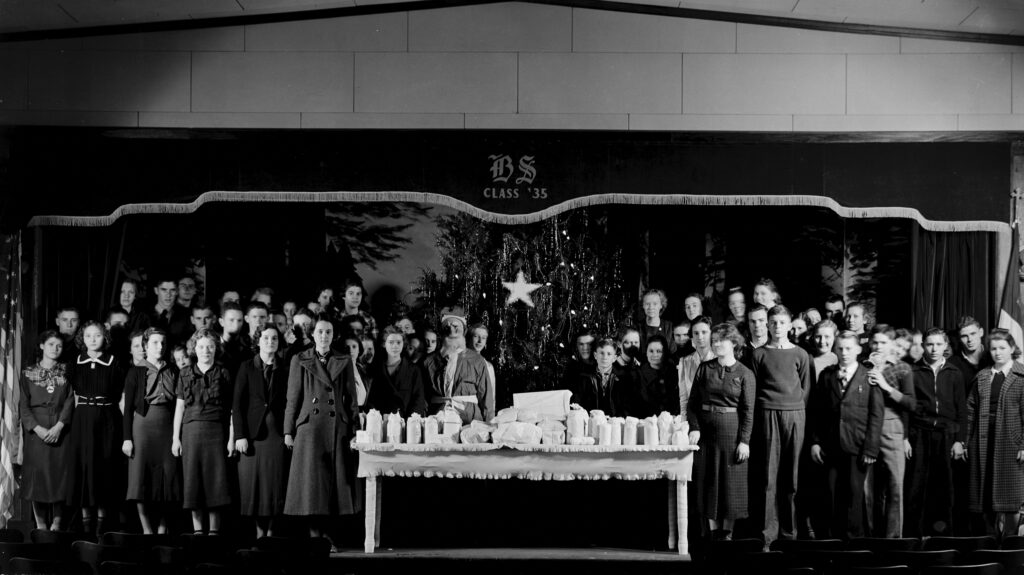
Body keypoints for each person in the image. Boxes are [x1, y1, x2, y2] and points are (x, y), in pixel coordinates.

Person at [283, 316, 360, 545]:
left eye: (328, 332)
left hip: (337, 428)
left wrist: (355, 428)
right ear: (312, 334)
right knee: (312, 485)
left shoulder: (343, 360)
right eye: (320, 332)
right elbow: (292, 398)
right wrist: (289, 430)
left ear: (333, 334)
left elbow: (351, 400)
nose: (324, 336)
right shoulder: (300, 359)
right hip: (310, 430)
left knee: (334, 485)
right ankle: (314, 538)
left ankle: (328, 538)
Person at [809, 330, 883, 539]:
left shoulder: (868, 376)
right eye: (840, 348)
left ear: (859, 349)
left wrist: (870, 447)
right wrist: (815, 442)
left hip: (857, 446)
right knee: (830, 494)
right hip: (830, 446)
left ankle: (854, 542)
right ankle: (831, 541)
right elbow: (817, 411)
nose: (844, 352)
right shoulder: (827, 375)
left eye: (849, 348)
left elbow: (876, 415)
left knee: (853, 496)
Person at [750, 305, 813, 547]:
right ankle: (768, 536)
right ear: (768, 325)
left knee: (792, 477)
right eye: (773, 322)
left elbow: (806, 389)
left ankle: (790, 535)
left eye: (782, 322)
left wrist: (793, 409)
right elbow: (754, 390)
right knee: (768, 477)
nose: (777, 327)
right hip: (767, 415)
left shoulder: (801, 354)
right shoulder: (759, 354)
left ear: (789, 325)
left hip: (795, 416)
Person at [686, 323, 755, 541]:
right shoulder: (705, 369)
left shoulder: (745, 373)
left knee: (731, 484)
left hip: (732, 434)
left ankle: (728, 535)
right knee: (708, 481)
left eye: (720, 340)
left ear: (733, 343)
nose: (715, 344)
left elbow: (748, 411)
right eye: (714, 340)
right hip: (706, 434)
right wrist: (695, 428)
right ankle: (712, 533)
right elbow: (692, 404)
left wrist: (744, 441)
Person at [905, 328, 967, 537]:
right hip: (920, 434)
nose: (934, 349)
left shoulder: (954, 373)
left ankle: (944, 537)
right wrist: (905, 438)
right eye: (930, 344)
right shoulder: (912, 372)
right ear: (922, 345)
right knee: (917, 486)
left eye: (939, 344)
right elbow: (906, 409)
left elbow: (961, 410)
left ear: (946, 346)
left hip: (947, 435)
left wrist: (960, 441)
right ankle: (916, 535)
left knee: (945, 488)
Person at [172, 329, 234, 536]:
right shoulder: (184, 373)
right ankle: (198, 533)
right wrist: (175, 438)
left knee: (216, 481)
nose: (205, 350)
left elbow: (232, 409)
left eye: (210, 346)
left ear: (216, 348)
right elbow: (179, 407)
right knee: (193, 481)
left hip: (216, 432)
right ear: (194, 349)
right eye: (201, 346)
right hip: (190, 433)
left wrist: (232, 438)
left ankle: (214, 533)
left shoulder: (224, 373)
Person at [67, 321, 126, 537]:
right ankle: (85, 524)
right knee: (84, 467)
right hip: (83, 419)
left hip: (107, 418)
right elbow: (72, 395)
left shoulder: (114, 362)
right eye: (88, 335)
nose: (93, 339)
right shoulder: (75, 363)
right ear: (83, 338)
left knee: (104, 466)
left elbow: (120, 395)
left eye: (98, 335)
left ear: (105, 338)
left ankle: (102, 523)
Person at [233, 325, 291, 539]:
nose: (270, 341)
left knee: (275, 486)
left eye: (274, 338)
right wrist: (240, 435)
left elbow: (289, 402)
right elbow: (237, 405)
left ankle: (272, 534)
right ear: (258, 341)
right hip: (253, 437)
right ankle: (259, 534)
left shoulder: (285, 368)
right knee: (254, 487)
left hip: (276, 436)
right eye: (265, 338)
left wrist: (288, 431)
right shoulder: (246, 367)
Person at [122, 327, 181, 534]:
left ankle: (163, 528)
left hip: (167, 424)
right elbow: (128, 408)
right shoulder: (136, 371)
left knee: (168, 477)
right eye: (155, 343)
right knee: (140, 477)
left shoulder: (173, 370)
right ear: (146, 346)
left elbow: (179, 404)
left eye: (163, 343)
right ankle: (147, 530)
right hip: (143, 425)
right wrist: (127, 439)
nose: (160, 347)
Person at [966, 329, 1024, 539]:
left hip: (1010, 444)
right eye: (993, 349)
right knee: (984, 495)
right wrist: (966, 442)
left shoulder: (1021, 376)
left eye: (1002, 348)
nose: (998, 353)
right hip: (982, 442)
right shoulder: (982, 376)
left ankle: (1009, 544)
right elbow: (970, 411)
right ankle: (988, 544)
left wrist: (1023, 445)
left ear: (1012, 349)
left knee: (1010, 497)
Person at [864, 324, 916, 538]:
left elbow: (911, 404)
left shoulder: (903, 368)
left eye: (883, 343)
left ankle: (893, 538)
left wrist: (886, 386)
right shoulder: (860, 366)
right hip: (865, 426)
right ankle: (868, 537)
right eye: (874, 342)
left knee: (895, 487)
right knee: (867, 488)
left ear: (892, 344)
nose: (878, 346)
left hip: (892, 425)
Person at [19, 330, 74, 531]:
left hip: (60, 427)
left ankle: (57, 523)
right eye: (51, 344)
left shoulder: (68, 372)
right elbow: (23, 405)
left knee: (60, 475)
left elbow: (70, 401)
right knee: (37, 477)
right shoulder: (27, 373)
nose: (55, 349)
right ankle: (41, 525)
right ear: (42, 346)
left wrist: (60, 425)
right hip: (36, 431)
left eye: (59, 345)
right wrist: (37, 428)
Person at [423, 308, 492, 423]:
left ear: (463, 332)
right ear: (442, 332)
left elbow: (486, 398)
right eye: (447, 327)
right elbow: (423, 398)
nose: (451, 330)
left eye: (456, 327)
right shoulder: (429, 361)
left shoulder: (477, 360)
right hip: (436, 420)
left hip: (469, 420)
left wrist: (489, 426)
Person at [368, 326, 427, 417]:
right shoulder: (376, 369)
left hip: (406, 423)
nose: (395, 346)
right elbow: (371, 399)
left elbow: (418, 401)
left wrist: (409, 423)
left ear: (404, 344)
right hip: (381, 423)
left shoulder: (413, 370)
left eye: (398, 342)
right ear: (384, 344)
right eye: (391, 342)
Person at [569, 338, 629, 416]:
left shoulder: (622, 379)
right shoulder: (584, 378)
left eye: (609, 354)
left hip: (614, 423)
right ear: (595, 355)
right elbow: (577, 402)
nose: (605, 357)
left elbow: (626, 406)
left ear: (614, 358)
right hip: (590, 421)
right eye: (601, 353)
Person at [635, 335, 680, 417]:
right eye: (651, 351)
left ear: (665, 352)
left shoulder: (674, 373)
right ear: (646, 353)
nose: (654, 355)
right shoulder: (638, 375)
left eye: (659, 351)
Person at [679, 316, 715, 412]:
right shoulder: (684, 362)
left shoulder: (719, 359)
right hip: (693, 416)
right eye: (696, 333)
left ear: (711, 333)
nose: (700, 337)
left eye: (704, 332)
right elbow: (684, 399)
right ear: (692, 336)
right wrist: (684, 422)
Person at [950, 316, 993, 392]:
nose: (970, 339)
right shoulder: (951, 364)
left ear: (981, 332)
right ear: (959, 338)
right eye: (964, 336)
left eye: (973, 334)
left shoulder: (994, 358)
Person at [149, 276, 191, 346]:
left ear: (177, 291)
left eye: (172, 290)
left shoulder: (186, 315)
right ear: (156, 290)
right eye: (164, 290)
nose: (168, 294)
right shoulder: (144, 315)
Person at [470, 323, 497, 420]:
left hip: (480, 417)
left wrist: (490, 421)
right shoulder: (462, 361)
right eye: (476, 336)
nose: (480, 341)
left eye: (484, 338)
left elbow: (491, 397)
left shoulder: (488, 366)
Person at [218, 302, 252, 379]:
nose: (236, 325)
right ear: (221, 322)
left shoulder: (248, 349)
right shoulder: (212, 347)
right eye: (231, 320)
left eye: (239, 320)